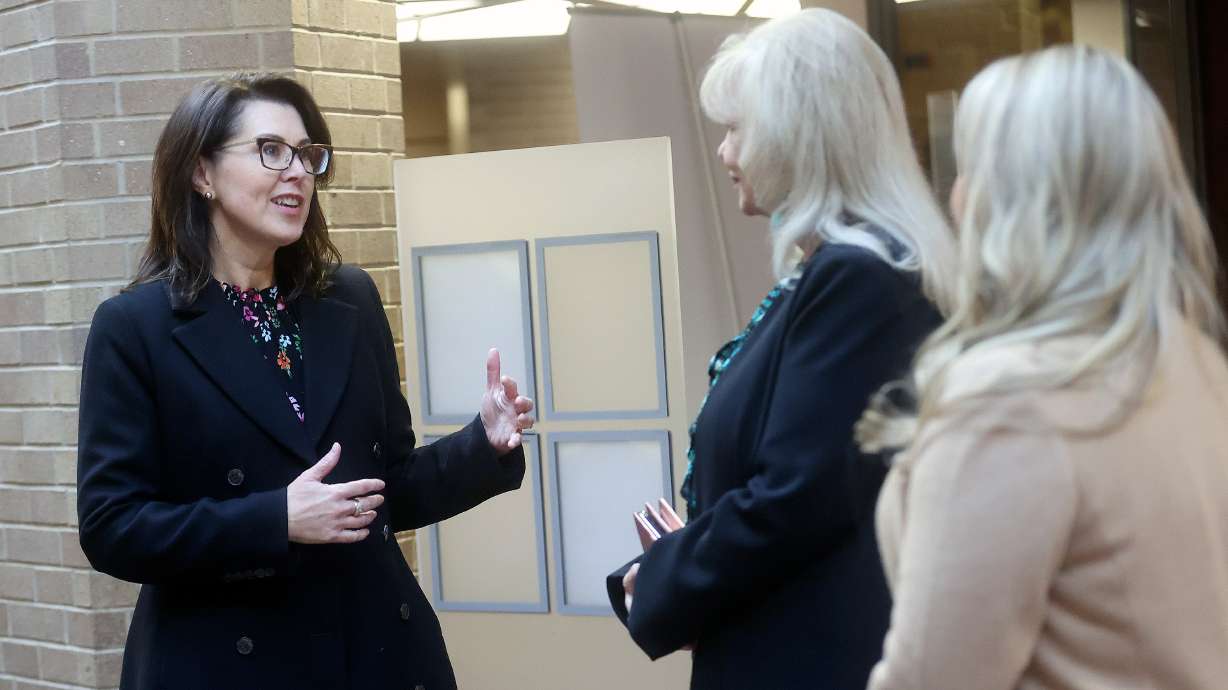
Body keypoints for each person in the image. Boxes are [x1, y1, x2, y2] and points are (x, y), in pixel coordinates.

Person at [76, 73, 535, 690]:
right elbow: (113, 528)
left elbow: (388, 488)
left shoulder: (347, 299)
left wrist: (484, 443)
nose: (297, 172)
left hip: (373, 650)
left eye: (309, 155)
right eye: (271, 151)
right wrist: (274, 519)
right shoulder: (135, 328)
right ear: (202, 174)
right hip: (227, 662)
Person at [858, 45, 1228, 690]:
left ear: (1010, 201)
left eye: (969, 168)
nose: (957, 193)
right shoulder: (1195, 365)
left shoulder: (1010, 401)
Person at [606, 9, 956, 688]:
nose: (724, 152)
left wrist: (663, 577)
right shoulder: (850, 272)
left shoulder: (857, 277)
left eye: (736, 129)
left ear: (799, 137)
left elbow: (794, 500)